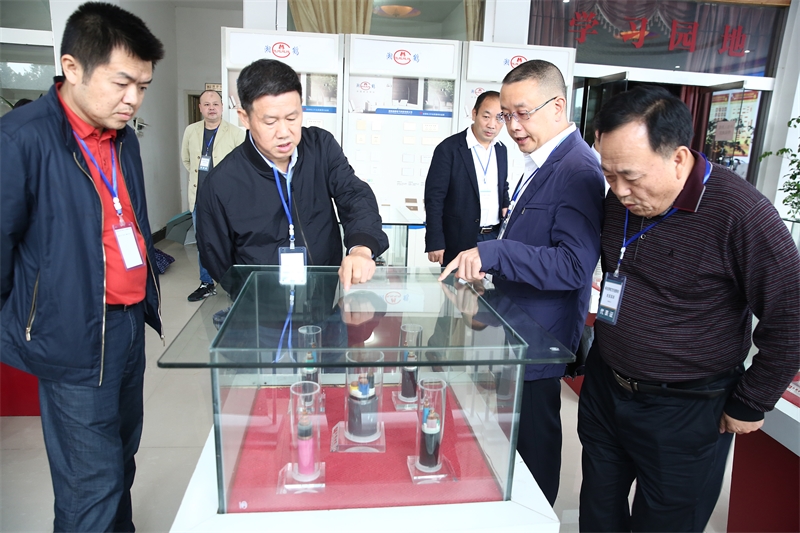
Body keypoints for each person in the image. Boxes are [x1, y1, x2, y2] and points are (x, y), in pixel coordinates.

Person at [579, 85, 800, 532]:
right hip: (607, 385)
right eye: (608, 174)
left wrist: (753, 400)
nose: (619, 190)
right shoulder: (619, 199)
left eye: (630, 176)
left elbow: (791, 315)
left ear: (678, 158)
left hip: (687, 406)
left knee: (667, 522)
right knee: (598, 512)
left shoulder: (740, 214)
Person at [0, 3, 164, 531]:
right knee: (89, 483)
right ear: (72, 67)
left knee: (121, 457)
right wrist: (32, 323)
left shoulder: (124, 137)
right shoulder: (21, 138)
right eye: (122, 83)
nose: (133, 99)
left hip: (128, 324)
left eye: (143, 86)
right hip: (73, 333)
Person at [440, 59, 605, 505]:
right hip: (516, 327)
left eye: (522, 113)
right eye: (506, 114)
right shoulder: (543, 160)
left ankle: (534, 518)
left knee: (534, 449)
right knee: (508, 447)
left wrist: (495, 253)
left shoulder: (577, 170)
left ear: (558, 106)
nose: (512, 126)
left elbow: (574, 265)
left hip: (540, 339)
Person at [196, 59, 388, 291]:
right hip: (261, 302)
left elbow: (354, 195)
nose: (284, 132)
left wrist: (361, 248)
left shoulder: (320, 147)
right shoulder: (221, 183)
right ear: (244, 117)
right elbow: (216, 257)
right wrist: (249, 296)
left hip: (322, 291)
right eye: (270, 121)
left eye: (292, 118)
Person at [424, 90, 509, 265]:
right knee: (456, 283)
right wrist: (435, 240)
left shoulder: (501, 149)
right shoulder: (449, 149)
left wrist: (505, 203)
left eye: (499, 118)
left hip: (493, 238)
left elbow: (502, 184)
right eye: (486, 116)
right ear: (474, 114)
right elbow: (434, 198)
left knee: (491, 283)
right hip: (459, 240)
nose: (492, 125)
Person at [181, 89, 245, 301]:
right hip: (200, 199)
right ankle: (207, 282)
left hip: (228, 201)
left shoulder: (236, 133)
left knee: (232, 242)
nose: (211, 108)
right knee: (204, 243)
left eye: (215, 104)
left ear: (222, 107)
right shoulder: (191, 131)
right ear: (200, 107)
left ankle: (235, 283)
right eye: (207, 104)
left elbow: (242, 166)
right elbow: (186, 160)